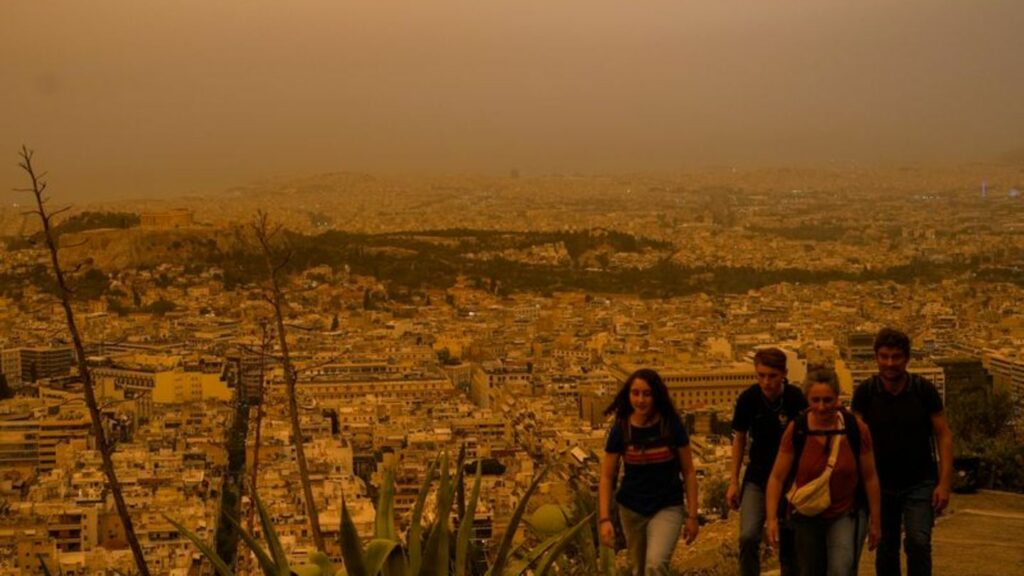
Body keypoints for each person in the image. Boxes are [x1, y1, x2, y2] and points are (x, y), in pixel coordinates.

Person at [851, 328, 953, 576]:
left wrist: (944, 482)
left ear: (906, 358)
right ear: (876, 357)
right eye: (884, 356)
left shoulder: (923, 390)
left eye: (896, 357)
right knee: (885, 546)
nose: (889, 363)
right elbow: (854, 439)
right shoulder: (865, 392)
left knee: (918, 542)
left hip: (920, 481)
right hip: (879, 483)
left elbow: (943, 434)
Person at [765, 367, 882, 576]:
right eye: (815, 400)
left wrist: (876, 520)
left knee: (841, 568)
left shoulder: (856, 429)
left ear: (837, 398)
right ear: (807, 400)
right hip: (806, 514)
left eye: (827, 400)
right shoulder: (798, 429)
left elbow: (870, 476)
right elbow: (777, 477)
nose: (821, 407)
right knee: (810, 570)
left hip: (844, 512)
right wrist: (772, 518)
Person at [599, 368, 699, 575]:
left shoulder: (670, 426)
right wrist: (605, 518)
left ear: (657, 396)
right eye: (635, 393)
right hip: (631, 508)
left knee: (655, 564)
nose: (641, 400)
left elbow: (688, 471)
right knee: (638, 569)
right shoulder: (622, 429)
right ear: (628, 395)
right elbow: (607, 476)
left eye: (647, 393)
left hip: (667, 505)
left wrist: (692, 515)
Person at [728, 348, 808, 576]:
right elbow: (739, 438)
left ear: (783, 373)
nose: (766, 381)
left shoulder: (794, 398)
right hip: (758, 475)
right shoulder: (748, 399)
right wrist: (734, 480)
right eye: (761, 375)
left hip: (790, 478)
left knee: (788, 537)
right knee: (748, 536)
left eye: (771, 376)